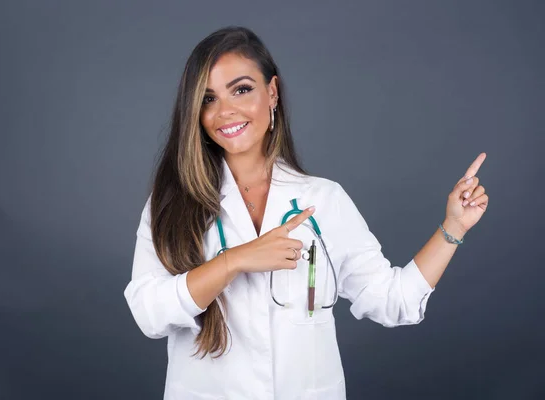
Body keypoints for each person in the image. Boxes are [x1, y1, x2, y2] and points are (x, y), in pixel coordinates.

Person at [123, 26, 489, 400]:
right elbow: (149, 315)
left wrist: (453, 227)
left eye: (242, 89)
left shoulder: (325, 200)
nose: (224, 111)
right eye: (207, 98)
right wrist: (232, 262)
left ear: (272, 92)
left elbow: (394, 302)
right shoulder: (172, 202)